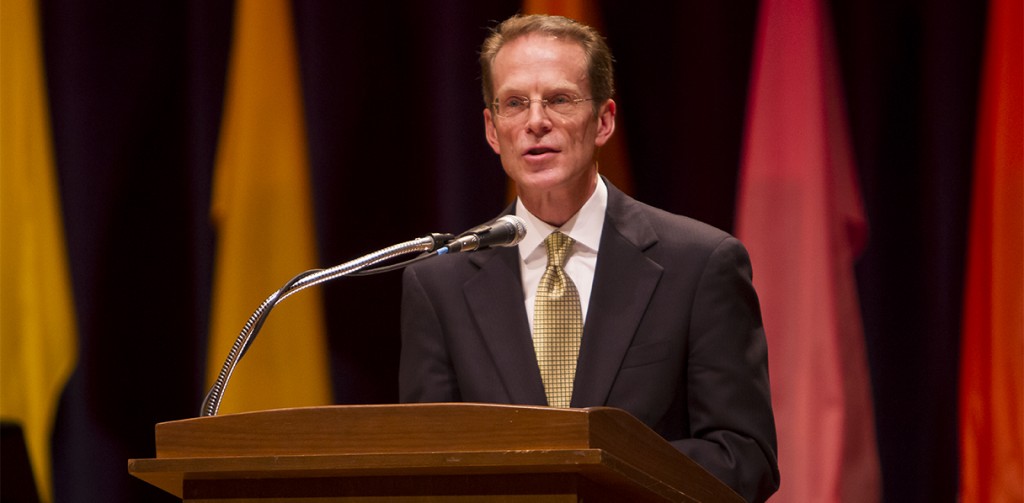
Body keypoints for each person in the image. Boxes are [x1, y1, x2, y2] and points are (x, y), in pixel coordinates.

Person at [399, 14, 779, 503]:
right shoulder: (437, 286)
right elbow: (426, 467)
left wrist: (602, 469)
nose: (536, 121)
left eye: (559, 99)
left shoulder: (700, 264)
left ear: (604, 120)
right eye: (515, 103)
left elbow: (744, 457)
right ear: (493, 131)